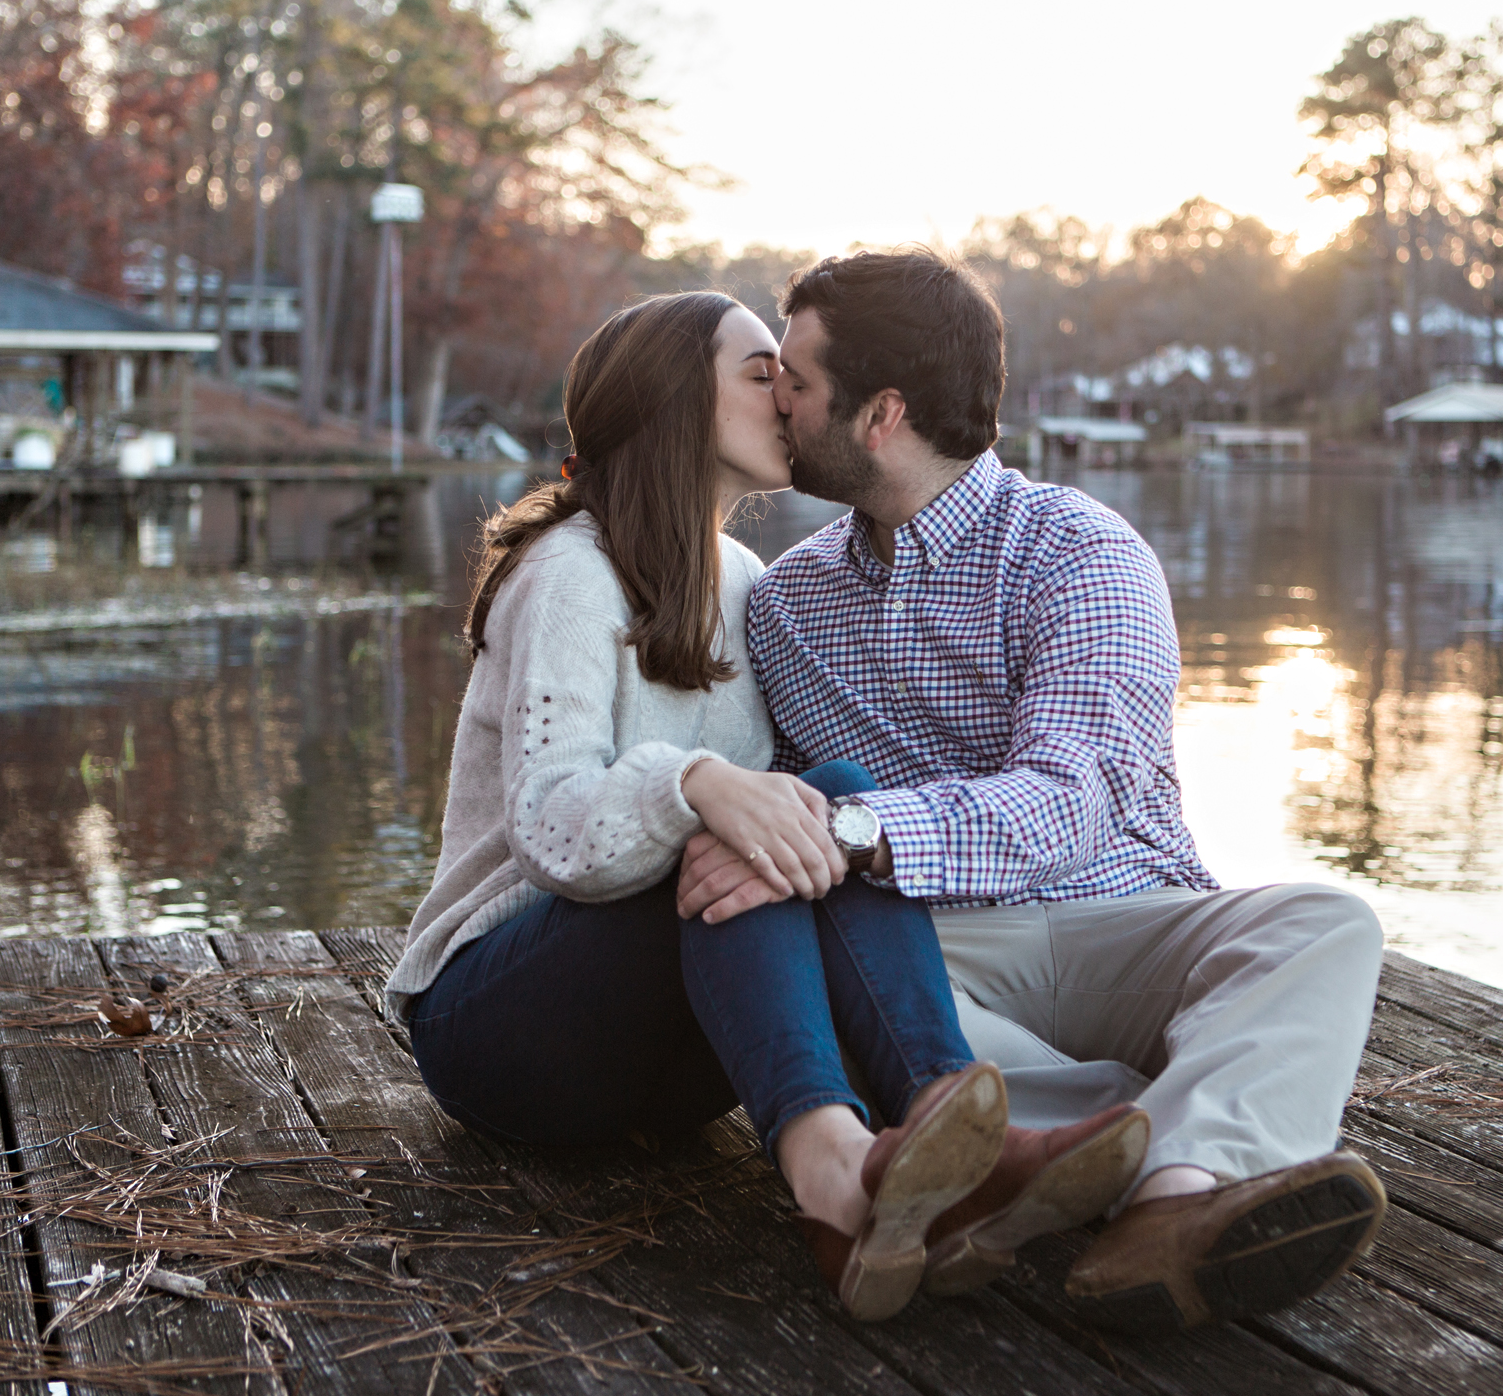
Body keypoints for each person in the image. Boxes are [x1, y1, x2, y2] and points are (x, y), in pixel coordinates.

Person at [384, 291, 1148, 1323]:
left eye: (792, 376)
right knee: (768, 818)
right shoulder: (570, 572)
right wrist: (694, 785)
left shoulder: (751, 584)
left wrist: (787, 815)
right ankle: (836, 1174)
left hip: (667, 1062)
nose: (789, 398)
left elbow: (801, 820)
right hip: (504, 1028)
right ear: (675, 402)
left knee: (834, 801)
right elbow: (555, 831)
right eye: (761, 374)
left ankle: (939, 1123)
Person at [675, 250, 1389, 1335]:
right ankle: (1152, 1144)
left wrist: (848, 824)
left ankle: (1165, 1205)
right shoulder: (785, 609)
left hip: (1128, 919)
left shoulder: (1078, 552)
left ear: (881, 415)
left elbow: (1067, 803)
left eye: (798, 381)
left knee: (1325, 923)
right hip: (939, 953)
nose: (776, 395)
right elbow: (773, 801)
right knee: (846, 991)